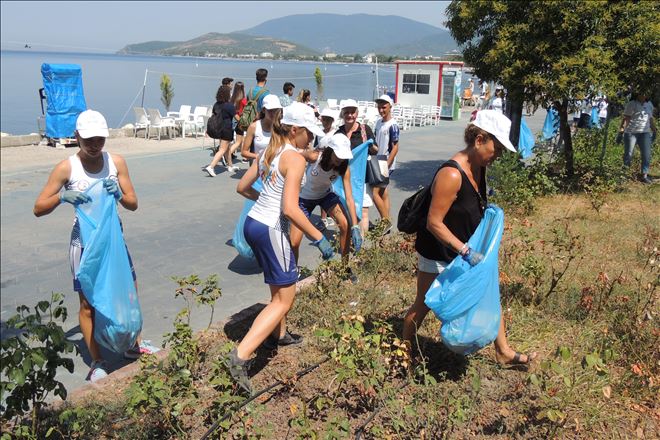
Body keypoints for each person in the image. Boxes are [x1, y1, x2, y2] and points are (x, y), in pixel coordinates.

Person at [402, 110, 537, 367]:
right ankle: (403, 353)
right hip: (439, 253)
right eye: (495, 147)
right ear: (479, 140)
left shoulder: (479, 167)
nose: (498, 155)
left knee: (488, 291)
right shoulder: (451, 174)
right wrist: (465, 251)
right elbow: (433, 223)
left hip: (465, 250)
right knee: (424, 305)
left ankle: (503, 351)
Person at [33, 110, 159, 383]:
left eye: (100, 139)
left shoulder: (116, 163)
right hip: (84, 245)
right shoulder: (67, 168)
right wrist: (61, 197)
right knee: (88, 304)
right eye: (88, 139)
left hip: (114, 241)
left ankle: (133, 346)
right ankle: (98, 361)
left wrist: (121, 195)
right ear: (77, 136)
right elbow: (38, 207)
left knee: (128, 292)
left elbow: (133, 203)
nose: (94, 145)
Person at [229, 102, 332, 394]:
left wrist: (262, 201)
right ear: (295, 129)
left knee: (278, 289)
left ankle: (279, 334)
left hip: (254, 223)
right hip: (272, 228)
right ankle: (240, 356)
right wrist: (318, 237)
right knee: (285, 299)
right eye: (309, 134)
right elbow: (290, 209)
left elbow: (242, 188)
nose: (311, 139)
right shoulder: (294, 159)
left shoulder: (269, 151)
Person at [290, 133, 361, 276]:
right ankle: (292, 272)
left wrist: (355, 225)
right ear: (330, 151)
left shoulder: (343, 168)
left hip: (325, 195)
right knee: (294, 242)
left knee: (345, 224)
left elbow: (349, 198)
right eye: (337, 156)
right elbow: (292, 156)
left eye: (343, 158)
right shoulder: (315, 157)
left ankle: (344, 267)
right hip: (303, 199)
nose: (340, 160)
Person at [335, 99, 378, 236]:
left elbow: (376, 150)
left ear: (357, 113)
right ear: (342, 114)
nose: (350, 115)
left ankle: (359, 247)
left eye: (352, 112)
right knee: (346, 210)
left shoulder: (365, 130)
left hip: (362, 177)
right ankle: (348, 240)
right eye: (346, 112)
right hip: (343, 178)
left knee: (363, 212)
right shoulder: (338, 133)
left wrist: (369, 145)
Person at [371, 94, 400, 224]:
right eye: (379, 107)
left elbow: (395, 147)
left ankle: (385, 221)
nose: (381, 110)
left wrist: (387, 165)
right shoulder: (378, 122)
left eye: (384, 107)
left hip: (385, 162)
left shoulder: (393, 125)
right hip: (377, 160)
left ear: (390, 107)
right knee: (383, 192)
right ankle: (385, 220)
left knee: (374, 192)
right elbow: (377, 142)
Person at [619, 92, 656, 184]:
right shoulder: (632, 104)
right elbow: (626, 118)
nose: (644, 95)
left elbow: (650, 119)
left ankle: (644, 175)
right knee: (628, 154)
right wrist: (621, 131)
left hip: (645, 133)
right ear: (637, 94)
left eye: (645, 93)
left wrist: (654, 130)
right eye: (641, 93)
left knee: (646, 154)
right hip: (631, 132)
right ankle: (624, 175)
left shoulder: (649, 105)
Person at [204, 85, 237, 177]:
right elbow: (237, 117)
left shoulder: (216, 104)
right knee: (222, 149)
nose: (231, 94)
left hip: (219, 128)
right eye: (230, 92)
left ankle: (230, 166)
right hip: (227, 129)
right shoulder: (230, 106)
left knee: (228, 148)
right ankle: (211, 166)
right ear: (227, 94)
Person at [241, 94, 282, 164]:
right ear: (263, 110)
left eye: (276, 110)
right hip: (259, 168)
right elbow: (244, 152)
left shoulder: (281, 126)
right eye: (270, 110)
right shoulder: (254, 127)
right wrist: (259, 157)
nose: (273, 113)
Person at [227, 81, 247, 163]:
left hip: (232, 120)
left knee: (239, 140)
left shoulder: (232, 99)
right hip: (239, 120)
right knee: (239, 141)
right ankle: (227, 155)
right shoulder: (243, 100)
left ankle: (243, 156)